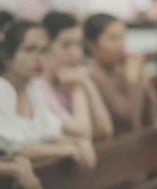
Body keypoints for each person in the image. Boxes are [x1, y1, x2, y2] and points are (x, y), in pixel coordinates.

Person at [0, 21, 96, 171]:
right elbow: (11, 147)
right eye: (30, 49)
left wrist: (79, 142)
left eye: (44, 50)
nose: (39, 58)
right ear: (6, 56)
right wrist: (67, 149)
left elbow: (49, 134)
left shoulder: (33, 88)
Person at [34, 11, 114, 140]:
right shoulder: (38, 88)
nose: (75, 53)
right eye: (66, 45)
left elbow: (105, 130)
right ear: (45, 48)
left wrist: (87, 84)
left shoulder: (72, 78)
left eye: (78, 44)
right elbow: (83, 132)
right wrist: (77, 86)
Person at [84, 13, 157, 135]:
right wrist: (132, 80)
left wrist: (142, 78)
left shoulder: (122, 69)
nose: (121, 45)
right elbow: (128, 120)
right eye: (113, 38)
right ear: (92, 45)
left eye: (123, 38)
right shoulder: (92, 76)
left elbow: (152, 116)